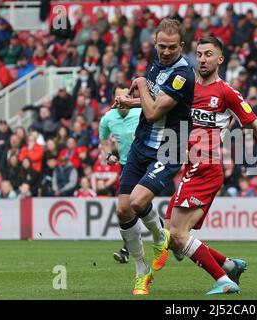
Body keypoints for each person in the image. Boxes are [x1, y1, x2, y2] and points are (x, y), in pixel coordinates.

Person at [163, 36, 257, 295]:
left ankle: (223, 279)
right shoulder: (185, 87)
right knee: (171, 235)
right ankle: (229, 265)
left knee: (177, 235)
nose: (202, 59)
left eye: (208, 54)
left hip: (206, 168)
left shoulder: (226, 93)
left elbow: (256, 127)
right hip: (189, 168)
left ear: (220, 59)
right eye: (199, 54)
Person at [113, 19, 195, 295]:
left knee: (137, 201)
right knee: (123, 210)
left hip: (168, 146)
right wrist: (129, 101)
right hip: (141, 145)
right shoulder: (156, 64)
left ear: (181, 47)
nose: (167, 51)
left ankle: (161, 237)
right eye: (162, 46)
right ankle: (142, 270)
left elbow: (153, 112)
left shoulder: (184, 73)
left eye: (172, 47)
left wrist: (138, 84)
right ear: (156, 44)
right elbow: (154, 102)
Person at [99, 84, 142, 264]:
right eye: (119, 99)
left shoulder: (140, 112)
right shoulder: (108, 118)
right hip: (126, 166)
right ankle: (166, 238)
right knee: (126, 209)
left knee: (137, 205)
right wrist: (108, 155)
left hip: (145, 162)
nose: (123, 102)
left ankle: (126, 249)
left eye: (126, 98)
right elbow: (103, 141)